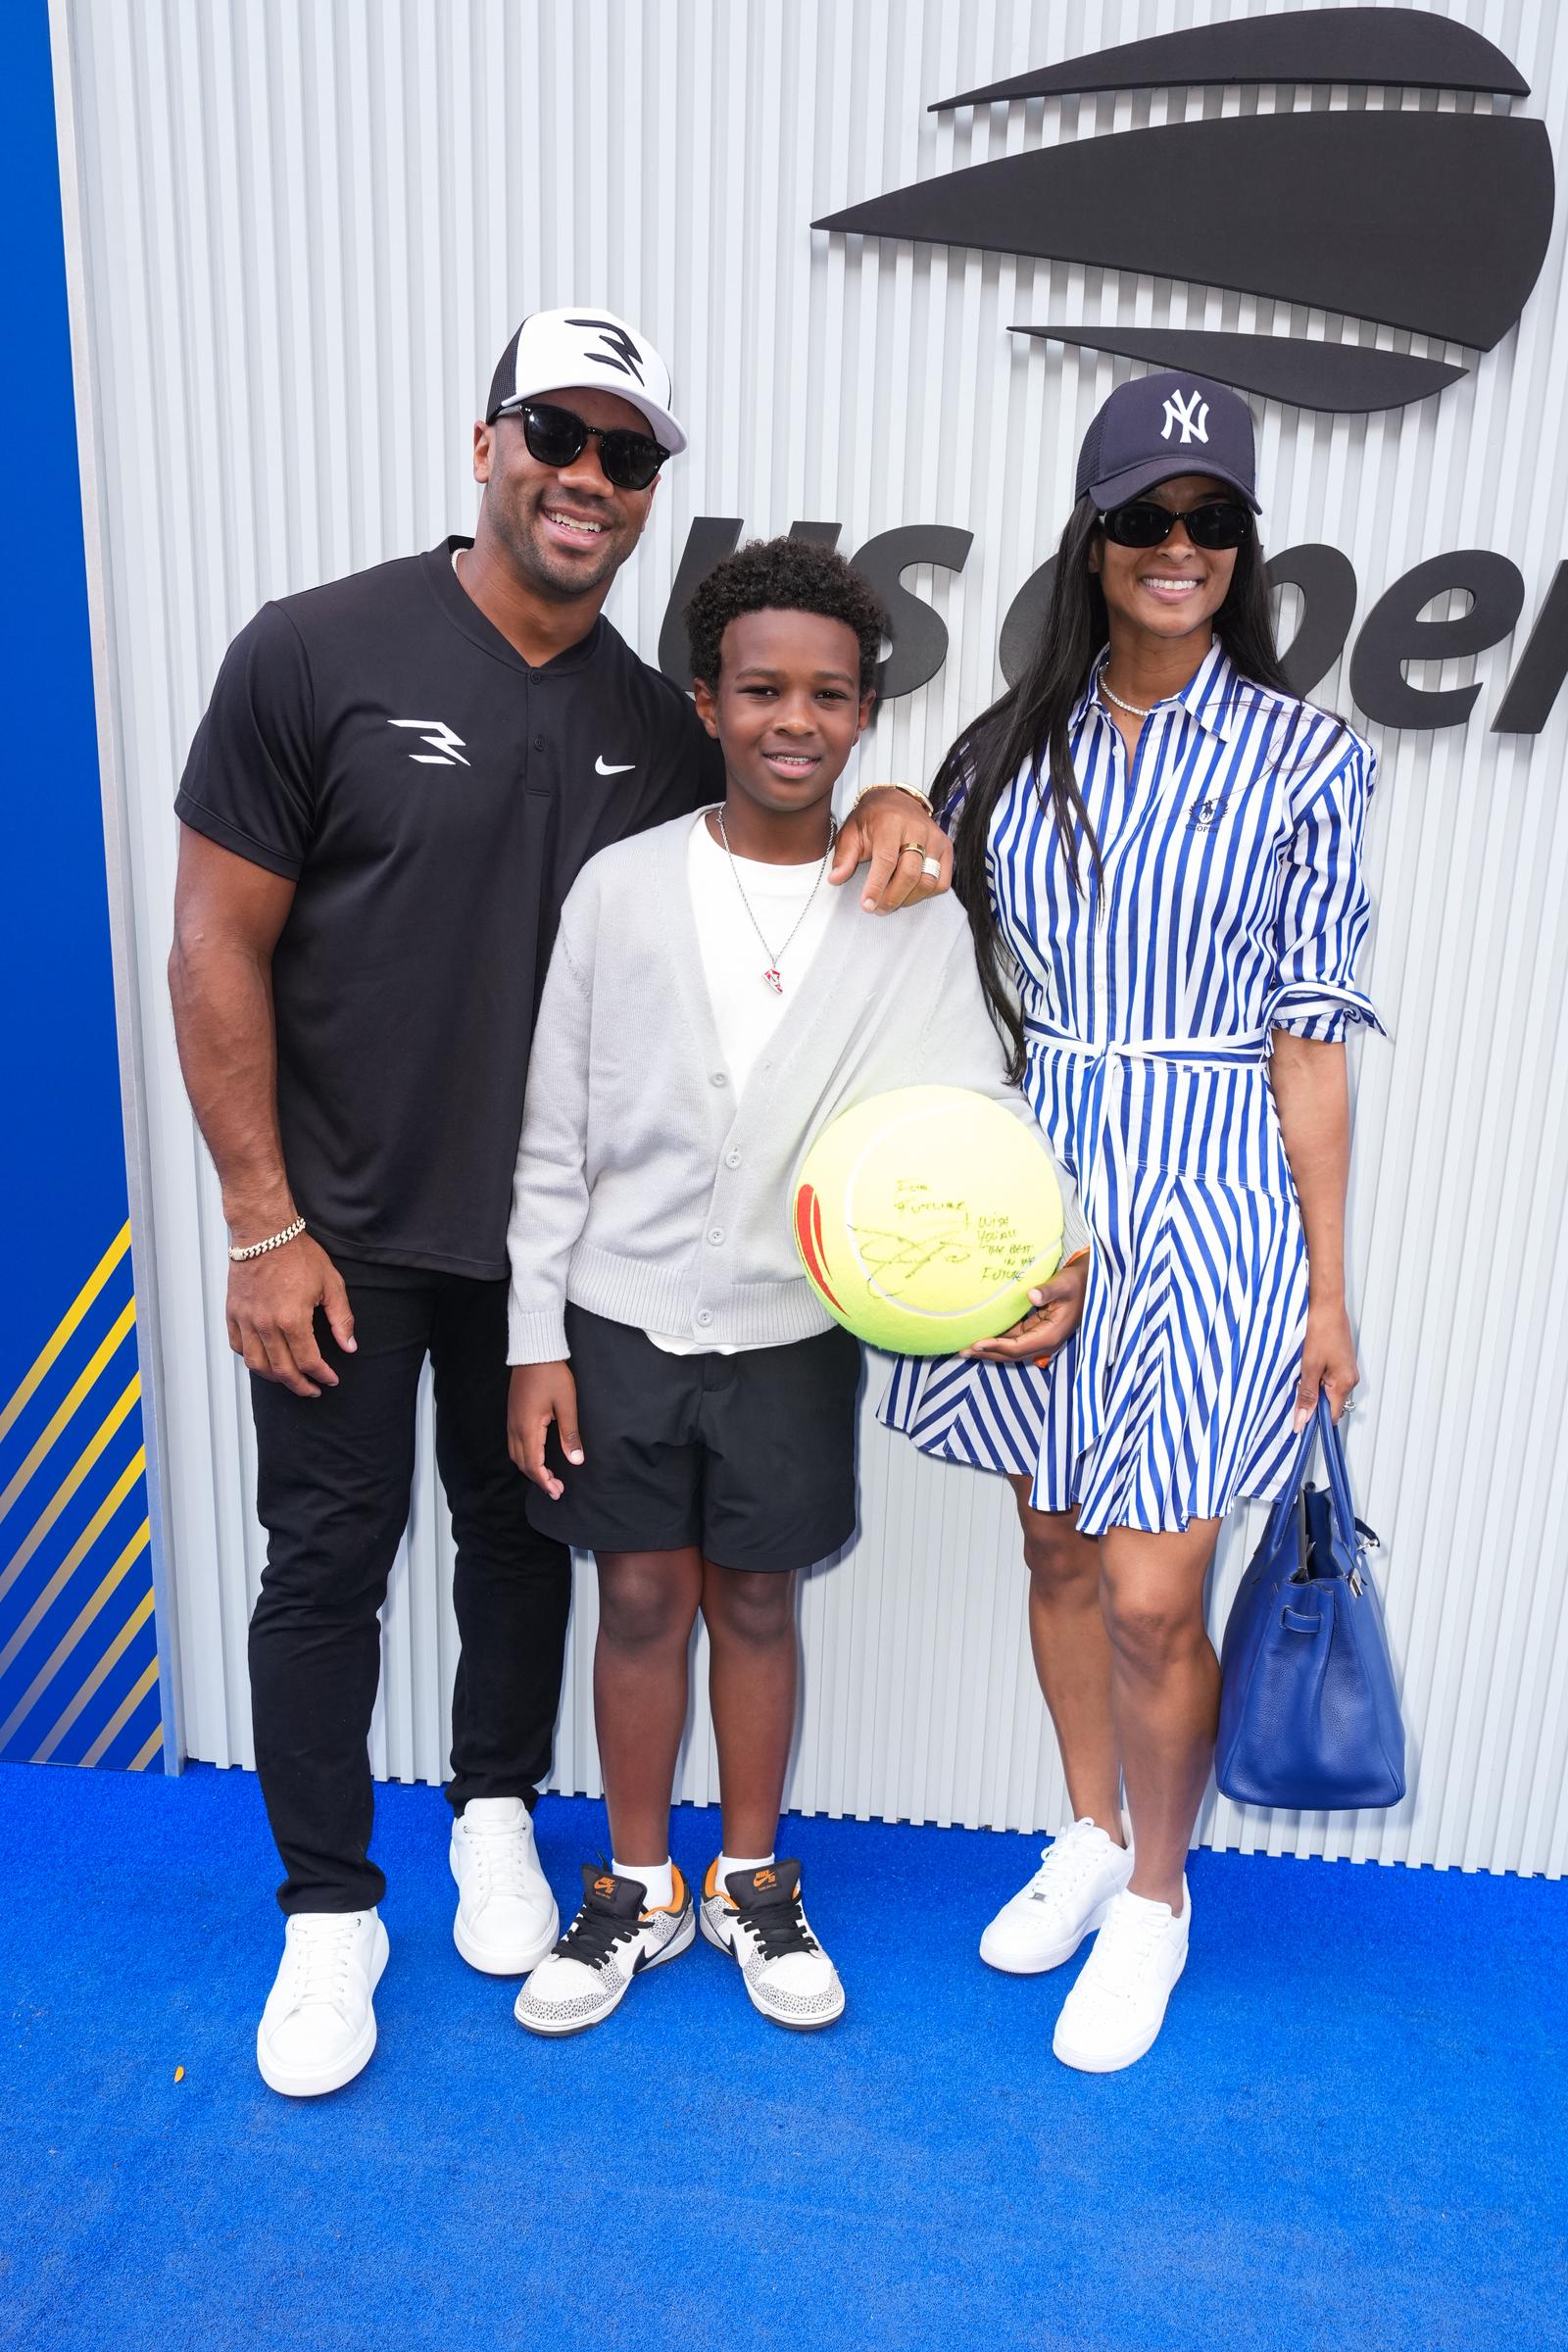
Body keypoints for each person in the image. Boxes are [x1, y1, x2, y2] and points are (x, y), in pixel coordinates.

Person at [167, 309, 954, 2099]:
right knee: (327, 1564)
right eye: (560, 438)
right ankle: (325, 1914)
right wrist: (260, 1221)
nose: (591, 479)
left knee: (530, 1549)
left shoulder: (652, 716)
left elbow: (797, 812)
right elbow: (214, 941)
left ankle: (501, 1819)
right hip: (343, 1233)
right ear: (487, 443)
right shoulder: (313, 650)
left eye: (630, 456)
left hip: (564, 1256)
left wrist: (903, 795)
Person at [503, 539, 1089, 2035]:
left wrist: (1039, 1256)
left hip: (797, 1332)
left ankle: (754, 1878)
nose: (794, 719)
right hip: (618, 1317)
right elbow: (553, 1139)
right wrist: (531, 1343)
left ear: (866, 714)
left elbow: (972, 1117)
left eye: (829, 695)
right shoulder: (621, 891)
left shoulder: (905, 911)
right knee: (637, 1596)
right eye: (760, 687)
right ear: (705, 699)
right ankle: (637, 1886)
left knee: (757, 1599)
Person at [883, 371, 1382, 2073]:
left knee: (1160, 1590)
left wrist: (1326, 1287)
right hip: (1034, 1190)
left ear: (1244, 549)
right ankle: (1090, 1831)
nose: (1181, 548)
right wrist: (889, 809)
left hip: (1205, 1198)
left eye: (1213, 521)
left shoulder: (1310, 755)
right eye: (1149, 520)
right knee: (1053, 1545)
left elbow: (1312, 1042)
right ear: (1096, 542)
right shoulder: (1009, 746)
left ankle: (1161, 1900)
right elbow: (915, 942)